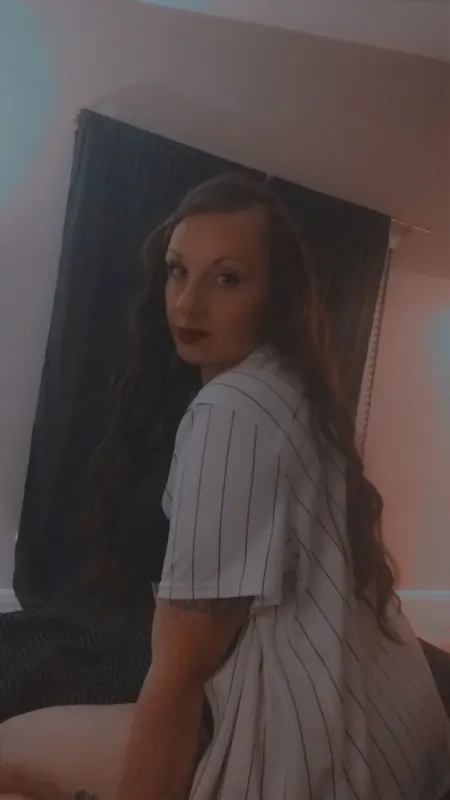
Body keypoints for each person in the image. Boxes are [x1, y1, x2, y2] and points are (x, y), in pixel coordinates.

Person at [0, 173, 449, 800]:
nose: (187, 305)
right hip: (398, 728)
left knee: (6, 749)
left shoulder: (231, 412)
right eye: (178, 272)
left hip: (314, 757)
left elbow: (180, 678)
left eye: (227, 279)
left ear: (274, 295)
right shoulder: (293, 381)